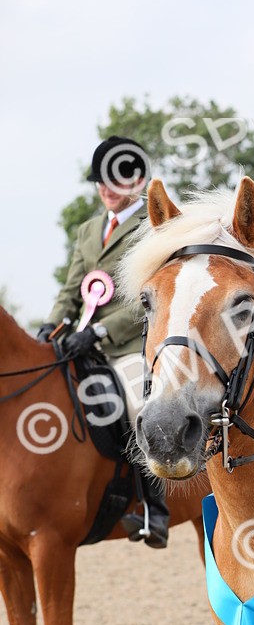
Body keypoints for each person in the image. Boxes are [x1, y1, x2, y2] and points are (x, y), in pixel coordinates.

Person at [44, 136, 169, 549]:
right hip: (77, 341)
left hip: (128, 345)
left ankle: (154, 508)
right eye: (100, 182)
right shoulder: (88, 230)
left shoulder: (152, 227)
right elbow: (72, 290)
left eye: (113, 181)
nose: (105, 190)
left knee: (138, 405)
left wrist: (98, 331)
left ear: (136, 180)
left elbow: (146, 300)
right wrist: (51, 328)